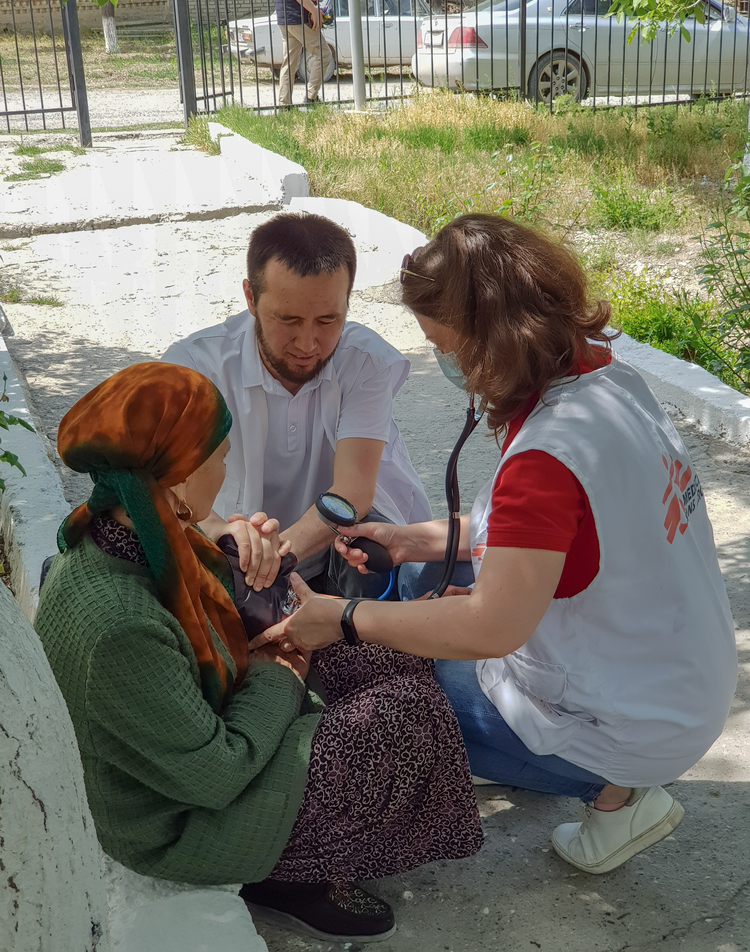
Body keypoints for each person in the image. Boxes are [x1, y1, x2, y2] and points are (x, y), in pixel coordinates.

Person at [250, 213, 738, 876]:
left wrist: (340, 619)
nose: (444, 365)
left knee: (383, 690)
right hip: (681, 675)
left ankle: (614, 794)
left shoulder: (547, 456)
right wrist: (409, 539)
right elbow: (549, 533)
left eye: (444, 347)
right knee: (421, 585)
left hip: (631, 721)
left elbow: (493, 624)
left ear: (494, 337)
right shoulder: (609, 383)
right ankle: (580, 768)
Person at [34, 362, 482, 944]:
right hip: (180, 823)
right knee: (404, 716)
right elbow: (214, 776)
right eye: (219, 457)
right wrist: (282, 672)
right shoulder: (119, 623)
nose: (225, 469)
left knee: (391, 657)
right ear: (181, 476)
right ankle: (284, 878)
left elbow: (206, 619)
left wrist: (256, 557)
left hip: (207, 729)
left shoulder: (137, 527)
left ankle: (308, 851)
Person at [162, 211, 431, 599]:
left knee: (369, 553)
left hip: (330, 556)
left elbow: (353, 491)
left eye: (327, 320)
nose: (307, 344)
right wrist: (226, 534)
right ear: (250, 298)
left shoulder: (365, 361)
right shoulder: (193, 368)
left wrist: (274, 555)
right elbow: (168, 489)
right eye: (288, 320)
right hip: (233, 554)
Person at [272, 0, 333, 107]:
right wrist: (313, 10)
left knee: (289, 64)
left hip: (284, 20)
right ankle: (311, 97)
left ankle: (284, 104)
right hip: (298, 20)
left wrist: (309, 1)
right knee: (324, 54)